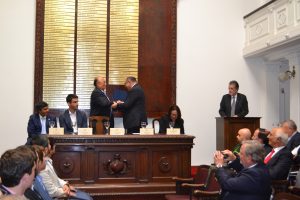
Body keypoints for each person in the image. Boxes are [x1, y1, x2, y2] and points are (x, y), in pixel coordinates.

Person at [32, 135, 92, 199]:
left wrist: (65, 184)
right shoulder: (42, 169)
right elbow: (52, 192)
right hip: (59, 195)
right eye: (49, 144)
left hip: (61, 191)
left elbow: (56, 179)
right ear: (45, 149)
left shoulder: (47, 162)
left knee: (86, 196)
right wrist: (66, 191)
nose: (50, 146)